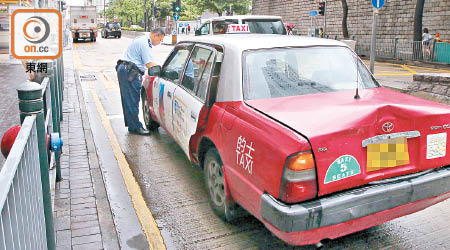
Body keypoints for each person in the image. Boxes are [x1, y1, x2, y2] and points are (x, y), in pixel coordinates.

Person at [115, 28, 165, 135]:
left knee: (129, 100)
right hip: (130, 72)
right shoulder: (145, 43)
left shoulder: (142, 39)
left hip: (126, 70)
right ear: (155, 35)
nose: (160, 42)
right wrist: (163, 71)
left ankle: (132, 125)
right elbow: (149, 63)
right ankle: (135, 127)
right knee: (132, 100)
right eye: (160, 40)